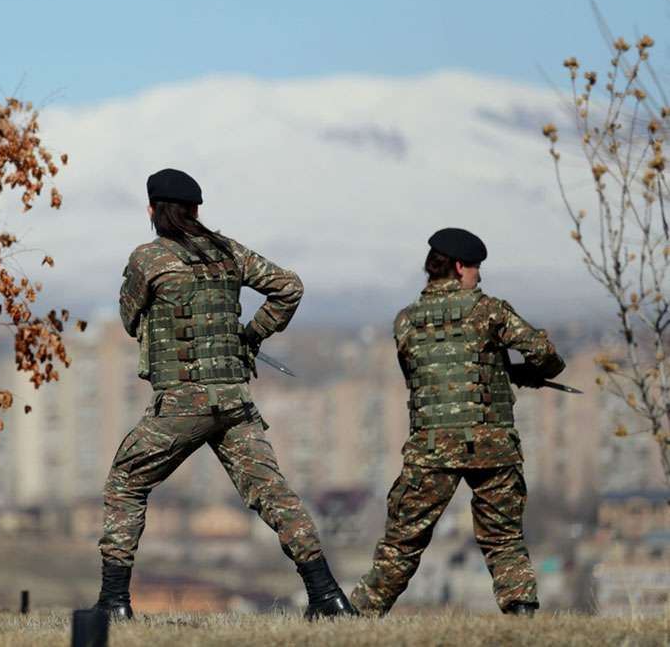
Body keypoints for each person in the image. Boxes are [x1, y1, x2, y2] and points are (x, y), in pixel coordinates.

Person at [93, 168, 355, 620]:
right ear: (195, 210)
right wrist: (251, 335)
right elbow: (288, 287)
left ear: (154, 211)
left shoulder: (149, 259)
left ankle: (114, 603)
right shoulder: (229, 252)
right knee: (274, 493)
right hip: (234, 403)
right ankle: (326, 594)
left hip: (179, 406)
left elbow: (130, 320)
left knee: (126, 484)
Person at [350, 227, 566, 617]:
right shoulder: (489, 310)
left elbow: (420, 374)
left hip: (430, 448)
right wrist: (521, 371)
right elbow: (546, 354)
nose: (479, 276)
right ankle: (522, 620)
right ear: (460, 266)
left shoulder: (405, 321)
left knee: (401, 544)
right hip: (492, 446)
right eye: (476, 268)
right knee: (504, 540)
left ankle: (357, 619)